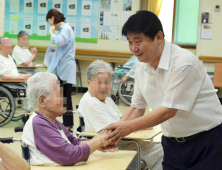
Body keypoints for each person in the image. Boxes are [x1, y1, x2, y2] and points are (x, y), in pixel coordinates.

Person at [104, 11, 222, 169]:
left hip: (207, 141)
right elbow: (137, 109)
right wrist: (113, 133)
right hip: (172, 143)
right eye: (130, 42)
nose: (133, 48)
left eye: (138, 41)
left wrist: (128, 128)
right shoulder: (141, 67)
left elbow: (168, 110)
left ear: (158, 37)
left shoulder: (183, 63)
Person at [78, 60, 163, 170]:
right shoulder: (90, 102)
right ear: (88, 83)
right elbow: (111, 132)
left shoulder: (107, 99)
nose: (104, 86)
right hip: (116, 146)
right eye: (99, 83)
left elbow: (121, 121)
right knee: (164, 153)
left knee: (166, 148)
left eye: (107, 82)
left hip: (127, 142)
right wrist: (134, 126)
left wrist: (139, 124)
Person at [22, 72, 118, 166]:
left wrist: (96, 144)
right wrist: (98, 141)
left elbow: (73, 141)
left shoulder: (52, 121)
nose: (64, 99)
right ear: (42, 100)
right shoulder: (38, 123)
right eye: (59, 94)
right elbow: (70, 155)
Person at [46, 9, 76, 132]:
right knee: (62, 96)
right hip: (63, 68)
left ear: (53, 18)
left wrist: (51, 33)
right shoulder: (64, 30)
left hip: (66, 68)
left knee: (65, 97)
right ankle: (64, 123)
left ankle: (68, 125)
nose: (50, 24)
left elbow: (60, 41)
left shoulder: (66, 29)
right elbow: (63, 45)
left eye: (49, 21)